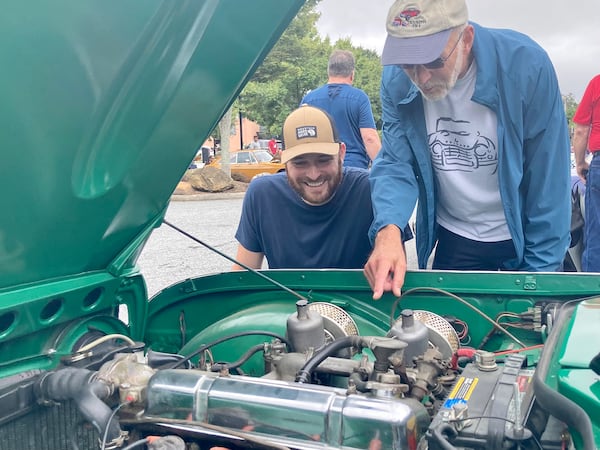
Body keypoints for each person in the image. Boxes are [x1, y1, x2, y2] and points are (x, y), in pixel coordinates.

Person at [364, 0, 571, 299]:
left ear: (467, 38)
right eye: (409, 63)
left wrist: (538, 279)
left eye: (434, 61)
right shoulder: (396, 79)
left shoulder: (527, 66)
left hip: (523, 235)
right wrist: (388, 230)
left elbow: (549, 181)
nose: (421, 78)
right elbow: (396, 162)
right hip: (456, 235)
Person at [232, 105, 408, 270]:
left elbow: (397, 273)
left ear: (341, 153)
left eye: (323, 160)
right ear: (284, 161)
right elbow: (242, 278)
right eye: (300, 163)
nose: (314, 174)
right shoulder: (262, 195)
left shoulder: (373, 190)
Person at [301, 49, 381, 169]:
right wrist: (384, 169)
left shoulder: (308, 100)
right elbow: (370, 139)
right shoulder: (359, 98)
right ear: (352, 74)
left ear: (329, 72)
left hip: (319, 169)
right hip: (353, 169)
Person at [572, 74, 600, 271]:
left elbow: (581, 130)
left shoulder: (597, 83)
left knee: (597, 237)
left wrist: (580, 163)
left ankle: (592, 298)